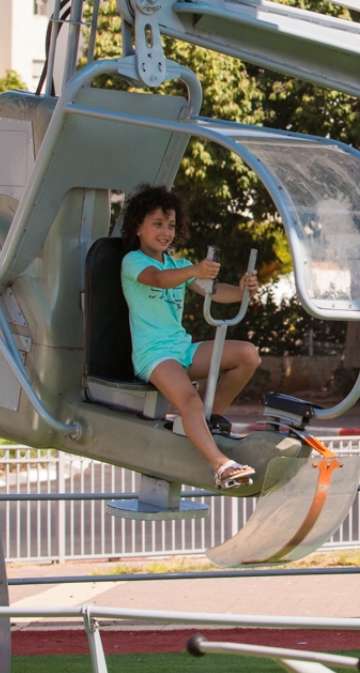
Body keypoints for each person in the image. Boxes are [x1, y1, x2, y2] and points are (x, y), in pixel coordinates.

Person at [120, 185, 261, 490]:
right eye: (157, 224)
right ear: (138, 228)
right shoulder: (133, 261)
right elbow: (158, 279)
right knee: (188, 401)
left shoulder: (179, 265)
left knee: (248, 355)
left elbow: (214, 291)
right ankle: (220, 465)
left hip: (181, 348)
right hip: (153, 354)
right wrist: (195, 269)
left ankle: (211, 421)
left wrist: (242, 291)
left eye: (171, 225)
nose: (166, 231)